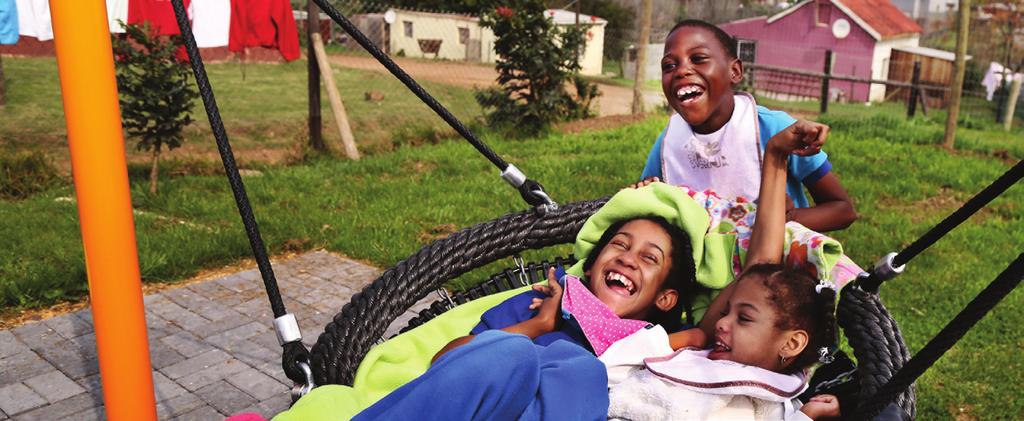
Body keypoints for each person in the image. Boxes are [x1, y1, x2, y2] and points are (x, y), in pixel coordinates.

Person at [351, 118, 830, 420]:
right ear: (593, 262)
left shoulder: (662, 341)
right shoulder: (542, 303)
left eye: (649, 258)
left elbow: (761, 276)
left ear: (665, 299)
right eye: (618, 245)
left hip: (571, 404)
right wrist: (534, 327)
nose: (627, 256)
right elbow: (446, 365)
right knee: (524, 358)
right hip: (493, 398)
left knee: (580, 372)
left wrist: (775, 159)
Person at [605, 118, 841, 420]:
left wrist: (808, 416)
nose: (719, 322)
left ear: (791, 343)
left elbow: (761, 266)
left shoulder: (772, 401)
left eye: (742, 317)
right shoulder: (695, 347)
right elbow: (759, 266)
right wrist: (775, 154)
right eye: (726, 310)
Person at [639, 19, 857, 233]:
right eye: (669, 66)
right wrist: (645, 195)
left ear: (734, 71)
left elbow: (843, 210)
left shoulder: (775, 129)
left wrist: (788, 219)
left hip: (775, 261)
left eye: (698, 58)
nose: (681, 71)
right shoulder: (669, 142)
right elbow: (645, 204)